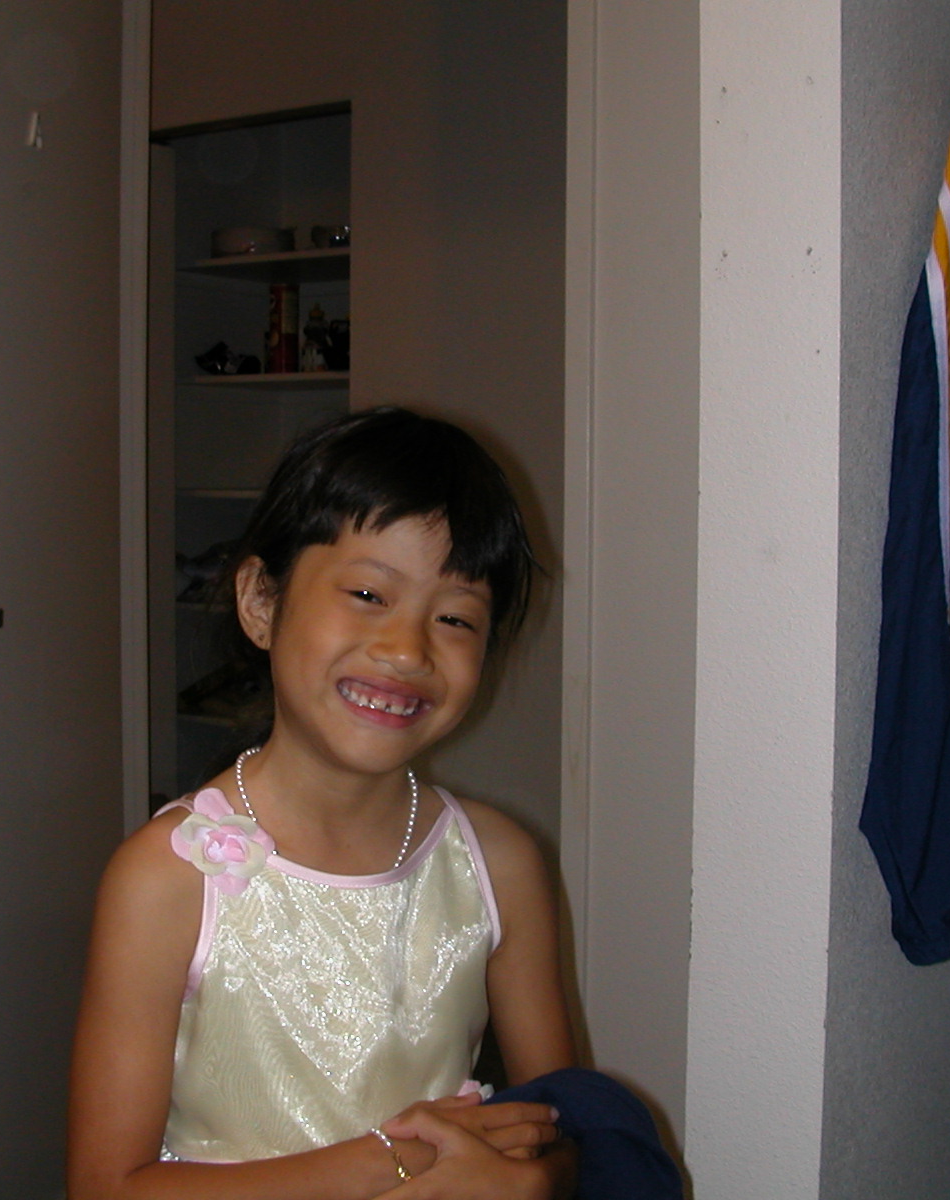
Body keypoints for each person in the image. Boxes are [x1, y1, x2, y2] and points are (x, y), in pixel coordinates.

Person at [68, 408, 581, 1199]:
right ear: (260, 602)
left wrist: (532, 1180)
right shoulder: (165, 878)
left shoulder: (500, 865)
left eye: (455, 618)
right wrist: (394, 1160)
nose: (407, 649)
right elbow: (105, 1187)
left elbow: (571, 1126)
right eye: (369, 593)